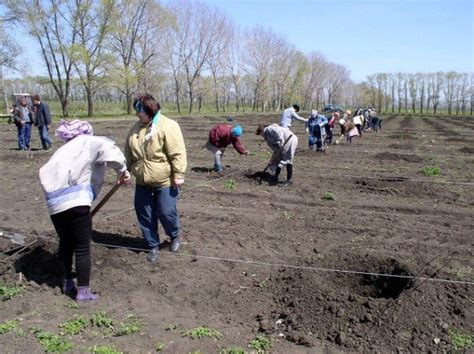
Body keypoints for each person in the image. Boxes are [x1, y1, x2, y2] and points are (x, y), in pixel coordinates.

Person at [39, 120, 130, 302]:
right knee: (82, 247)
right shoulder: (90, 141)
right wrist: (122, 170)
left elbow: (45, 173)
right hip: (78, 200)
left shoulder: (62, 150)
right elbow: (110, 151)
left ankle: (67, 282)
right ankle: (83, 292)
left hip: (54, 203)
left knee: (66, 242)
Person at [124, 94, 187, 263]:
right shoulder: (135, 128)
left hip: (164, 179)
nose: (137, 114)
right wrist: (125, 170)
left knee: (166, 212)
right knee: (144, 213)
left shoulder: (168, 125)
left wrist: (179, 174)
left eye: (139, 110)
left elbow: (177, 152)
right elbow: (128, 152)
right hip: (142, 180)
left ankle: (174, 236)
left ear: (149, 109)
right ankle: (152, 245)